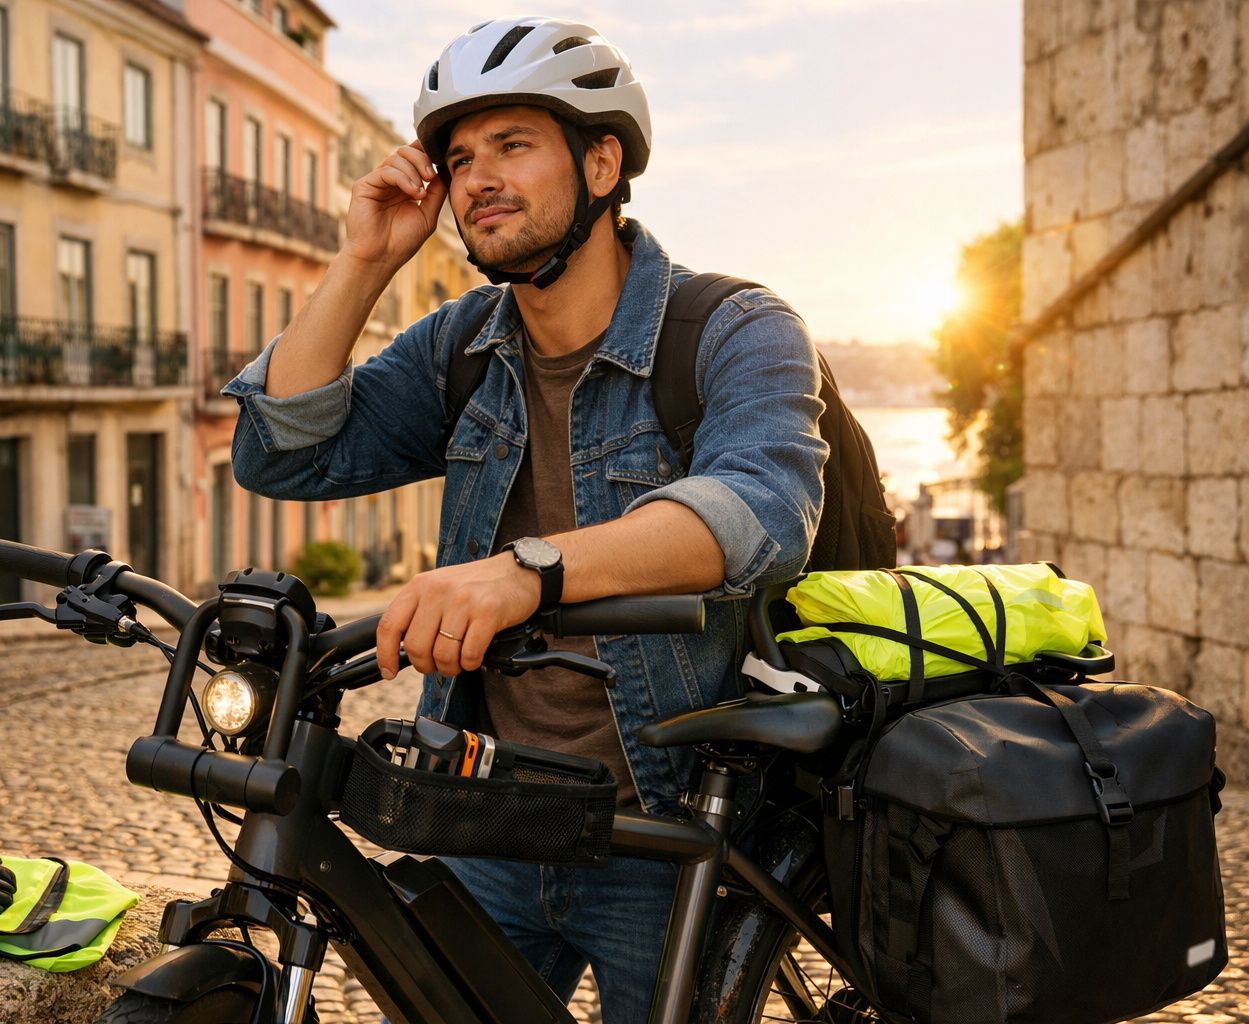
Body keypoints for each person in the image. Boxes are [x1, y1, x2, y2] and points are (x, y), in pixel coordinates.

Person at [224, 16, 827, 1023]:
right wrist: (366, 259)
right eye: (460, 158)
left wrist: (525, 571)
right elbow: (282, 450)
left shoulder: (735, 329)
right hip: (488, 816)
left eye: (512, 145)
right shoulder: (464, 346)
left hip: (668, 828)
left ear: (602, 164)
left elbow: (763, 510)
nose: (478, 179)